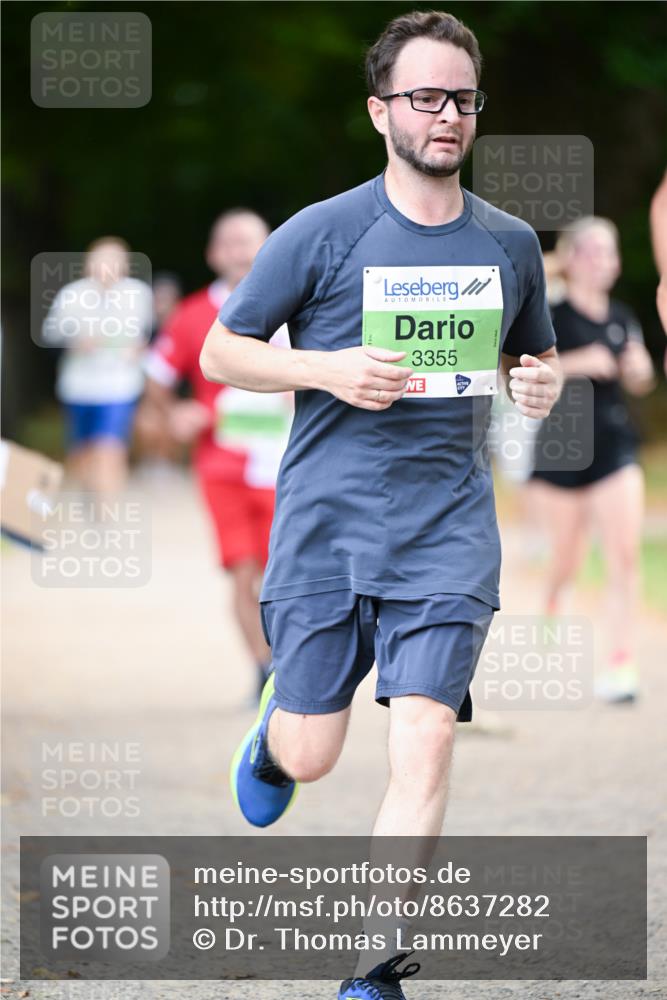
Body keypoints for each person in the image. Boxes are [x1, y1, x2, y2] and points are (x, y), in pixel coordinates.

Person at [200, 11, 561, 998]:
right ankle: (279, 729)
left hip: (447, 532)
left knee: (426, 737)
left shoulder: (509, 242)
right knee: (312, 755)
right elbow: (219, 350)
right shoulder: (320, 233)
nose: (446, 116)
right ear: (379, 110)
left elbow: (535, 352)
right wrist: (327, 367)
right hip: (326, 530)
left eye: (462, 99)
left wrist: (538, 383)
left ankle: (374, 969)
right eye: (425, 97)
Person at [143, 210, 291, 701]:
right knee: (243, 571)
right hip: (223, 466)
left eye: (248, 241)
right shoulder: (190, 314)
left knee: (284, 576)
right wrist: (177, 412)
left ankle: (291, 666)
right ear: (212, 253)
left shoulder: (295, 302)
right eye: (227, 242)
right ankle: (264, 668)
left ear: (269, 245)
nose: (239, 251)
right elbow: (157, 377)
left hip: (288, 463)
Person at [530, 217, 654, 704]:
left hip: (616, 446)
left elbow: (639, 373)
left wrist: (640, 370)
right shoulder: (551, 314)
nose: (609, 261)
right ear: (576, 258)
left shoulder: (623, 315)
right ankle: (554, 597)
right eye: (598, 251)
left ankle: (621, 664)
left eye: (613, 251)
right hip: (563, 447)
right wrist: (580, 363)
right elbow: (527, 368)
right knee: (568, 556)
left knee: (624, 556)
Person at [42, 237, 153, 495]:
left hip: (119, 385)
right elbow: (50, 334)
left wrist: (139, 349)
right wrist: (74, 341)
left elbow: (149, 334)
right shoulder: (71, 295)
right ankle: (89, 496)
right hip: (79, 386)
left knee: (110, 449)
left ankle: (107, 511)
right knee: (82, 452)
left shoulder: (138, 295)